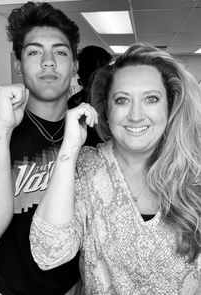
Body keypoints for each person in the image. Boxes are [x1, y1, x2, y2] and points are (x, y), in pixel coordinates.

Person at [30, 43, 201, 294]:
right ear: (106, 111)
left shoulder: (194, 168)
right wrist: (69, 149)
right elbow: (48, 253)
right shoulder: (87, 167)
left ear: (169, 107)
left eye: (151, 99)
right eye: (122, 100)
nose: (135, 115)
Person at [0, 2, 99, 294]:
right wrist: (1, 130)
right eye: (35, 51)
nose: (48, 62)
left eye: (61, 52)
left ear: (75, 64)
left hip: (75, 287)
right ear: (18, 63)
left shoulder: (93, 134)